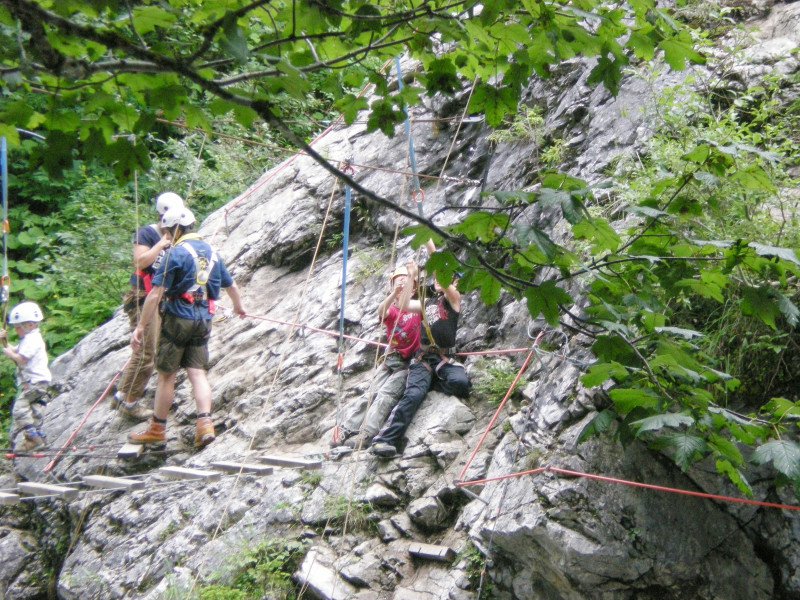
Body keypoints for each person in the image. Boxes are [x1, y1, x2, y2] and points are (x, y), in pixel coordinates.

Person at [128, 206, 245, 448]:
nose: (167, 237)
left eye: (168, 233)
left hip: (178, 318)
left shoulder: (176, 254)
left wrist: (141, 326)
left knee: (166, 376)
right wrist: (238, 308)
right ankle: (205, 426)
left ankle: (157, 429)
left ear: (175, 230)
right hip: (204, 319)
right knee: (197, 373)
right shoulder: (212, 252)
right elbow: (231, 286)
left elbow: (155, 294)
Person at [370, 240, 471, 458]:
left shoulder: (453, 300)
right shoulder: (427, 303)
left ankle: (432, 383)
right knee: (412, 395)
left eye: (443, 278)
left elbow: (444, 281)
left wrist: (431, 248)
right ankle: (385, 440)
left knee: (461, 384)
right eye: (435, 277)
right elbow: (405, 304)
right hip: (423, 358)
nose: (437, 281)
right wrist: (412, 279)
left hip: (445, 358)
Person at [332, 263, 422, 450]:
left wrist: (410, 281)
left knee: (385, 395)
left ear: (414, 288)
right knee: (370, 394)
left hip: (407, 363)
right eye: (398, 284)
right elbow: (382, 311)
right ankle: (348, 428)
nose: (402, 287)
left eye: (406, 284)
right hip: (391, 360)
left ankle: (367, 433)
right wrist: (393, 294)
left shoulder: (416, 308)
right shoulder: (392, 311)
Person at [113, 191, 184, 421]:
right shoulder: (147, 233)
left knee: (150, 349)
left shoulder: (176, 234)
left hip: (159, 296)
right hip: (143, 296)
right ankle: (130, 401)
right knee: (146, 353)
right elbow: (141, 261)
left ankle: (124, 393)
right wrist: (161, 244)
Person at [0, 301, 52, 451]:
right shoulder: (28, 339)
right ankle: (38, 438)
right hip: (37, 382)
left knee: (19, 409)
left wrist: (9, 353)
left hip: (35, 382)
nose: (16, 330)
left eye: (18, 327)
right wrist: (4, 342)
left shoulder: (33, 340)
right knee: (35, 411)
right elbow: (16, 350)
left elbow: (22, 359)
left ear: (29, 325)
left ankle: (33, 438)